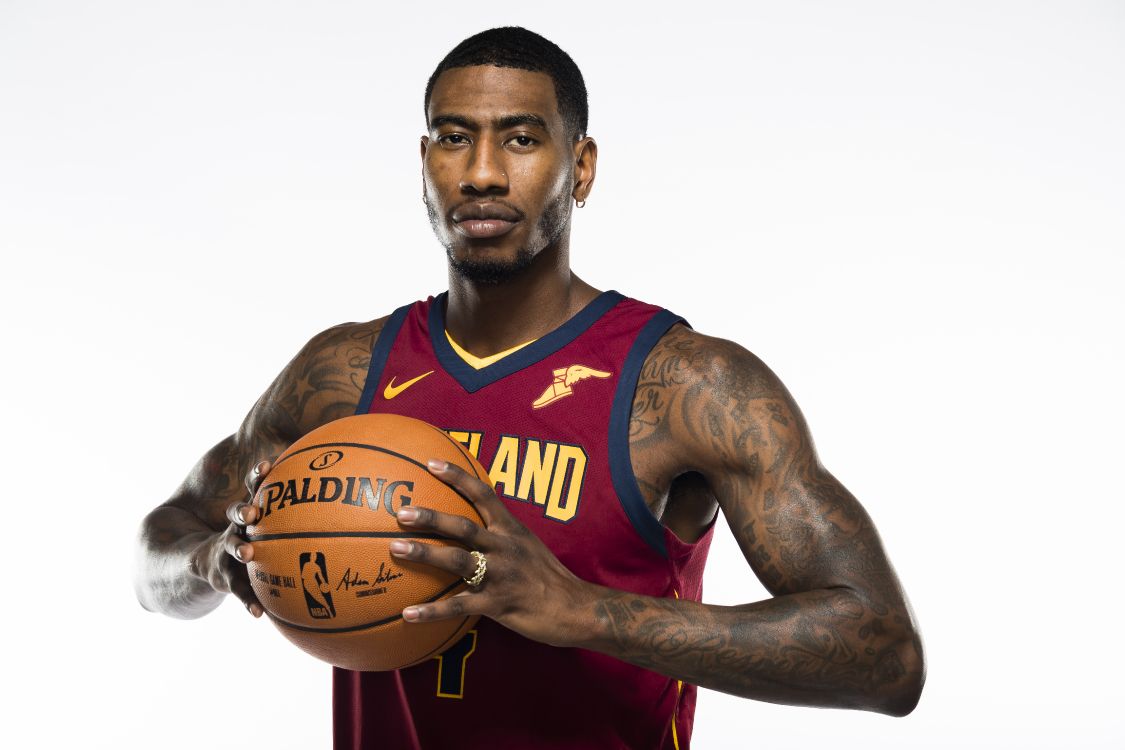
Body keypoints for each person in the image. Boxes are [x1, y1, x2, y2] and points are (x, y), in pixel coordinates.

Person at [135, 26, 924, 749]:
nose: (481, 173)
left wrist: (578, 610)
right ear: (423, 162)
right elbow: (158, 552)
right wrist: (218, 561)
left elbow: (884, 657)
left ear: (578, 168)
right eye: (454, 138)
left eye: (519, 139)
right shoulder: (340, 376)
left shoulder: (688, 386)